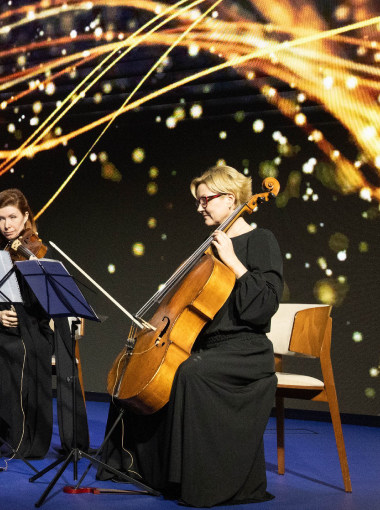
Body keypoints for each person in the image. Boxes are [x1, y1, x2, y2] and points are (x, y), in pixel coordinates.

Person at [97, 164, 283, 507]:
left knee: (190, 373)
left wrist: (233, 261)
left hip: (245, 350)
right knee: (132, 370)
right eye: (198, 201)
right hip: (207, 346)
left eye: (205, 200)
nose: (199, 207)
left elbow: (265, 305)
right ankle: (137, 467)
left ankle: (191, 481)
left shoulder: (261, 240)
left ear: (231, 199)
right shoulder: (208, 249)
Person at [0, 188, 89, 464]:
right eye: (1, 219)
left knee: (1, 357)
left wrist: (37, 271)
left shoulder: (37, 254)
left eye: (13, 217)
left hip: (31, 333)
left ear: (26, 217)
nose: (7, 225)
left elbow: (49, 308)